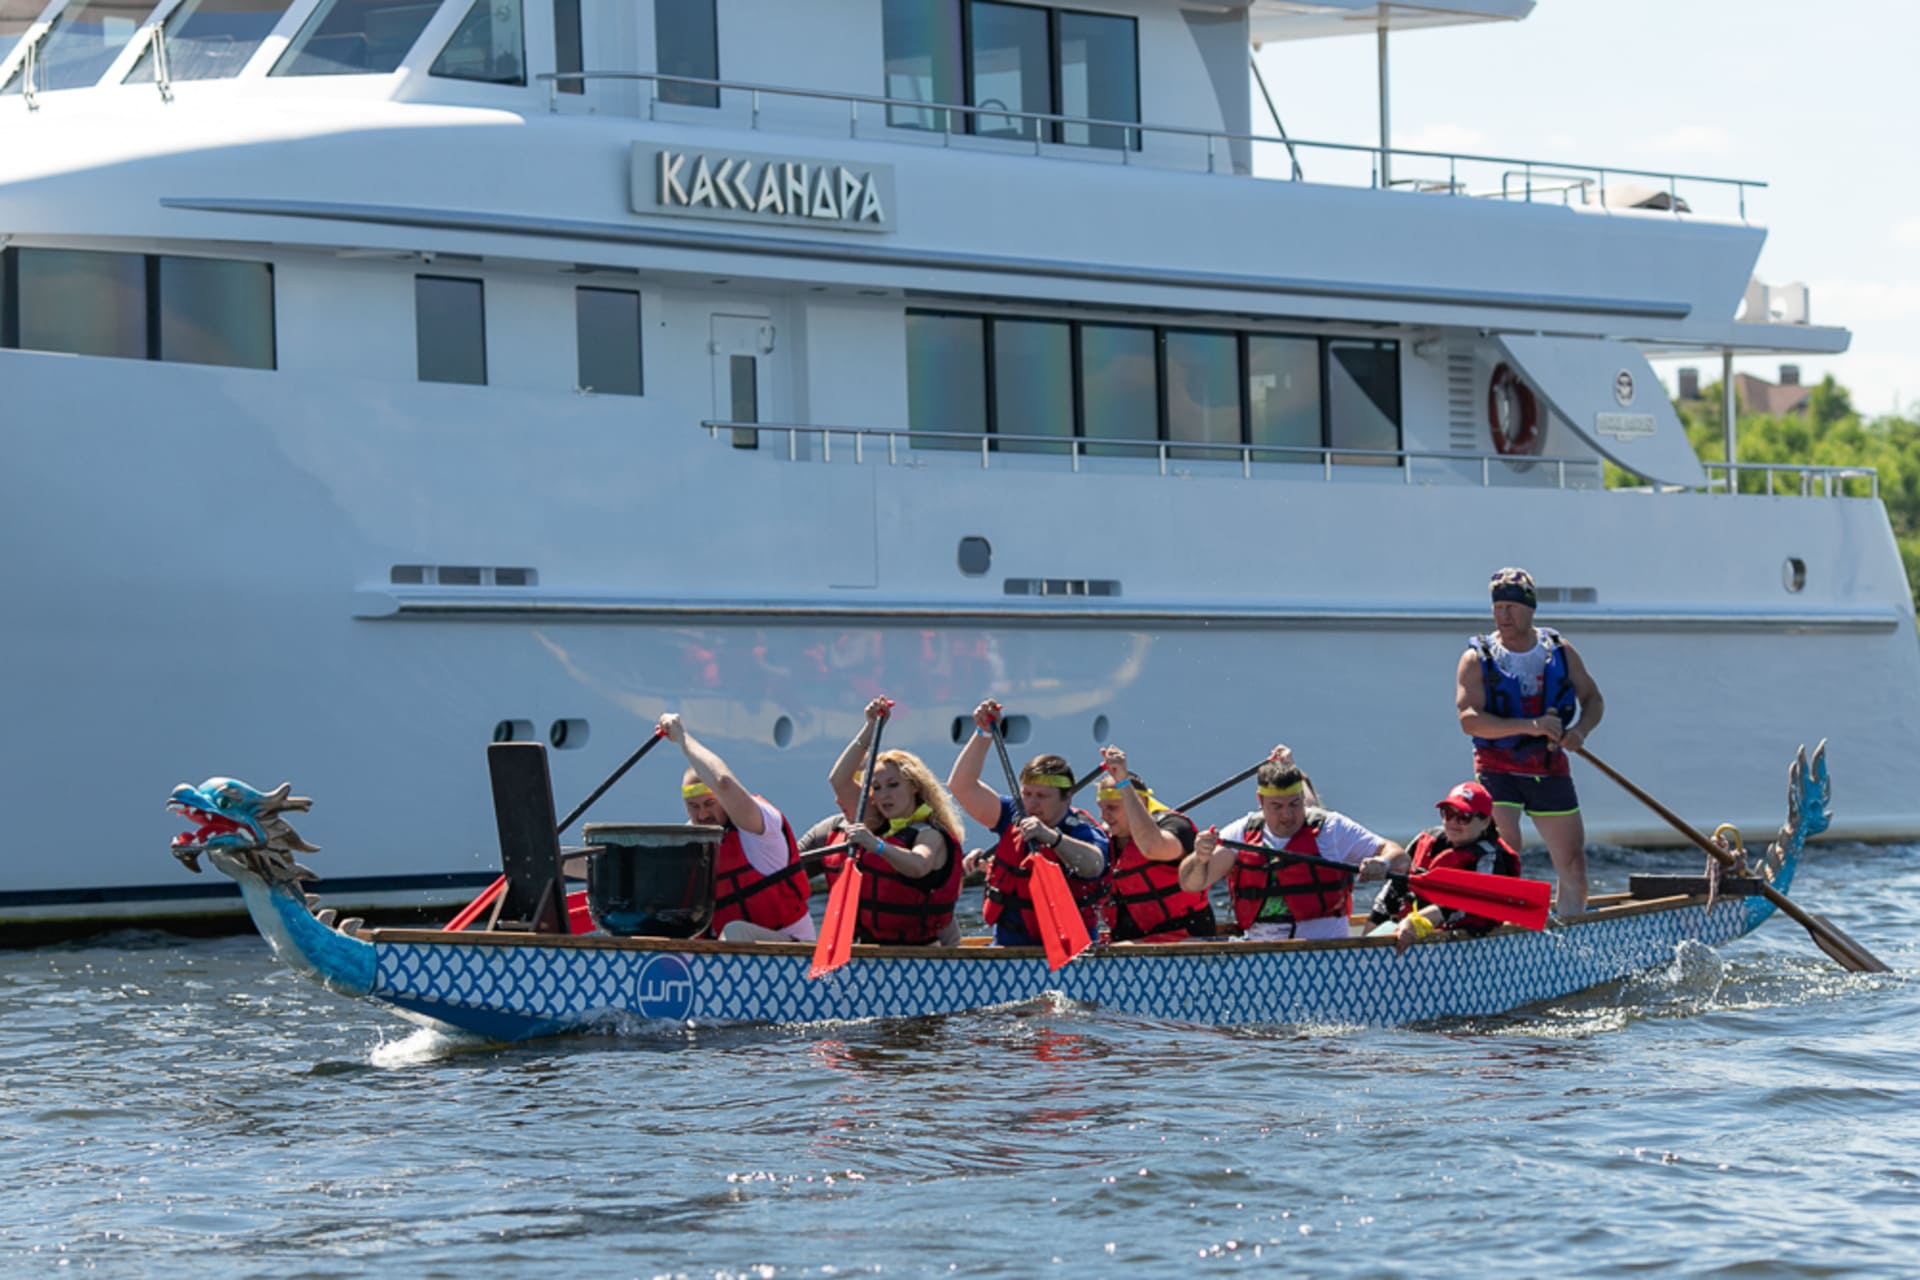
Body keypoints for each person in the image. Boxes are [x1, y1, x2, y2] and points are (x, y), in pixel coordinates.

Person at [1456, 566, 1605, 915]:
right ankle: (1503, 925)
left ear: (1530, 609)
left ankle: (1572, 925)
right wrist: (1531, 725)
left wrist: (1580, 731)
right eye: (1498, 608)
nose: (1503, 616)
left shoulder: (1560, 651)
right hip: (1497, 769)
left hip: (1548, 766)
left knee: (1572, 862)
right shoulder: (1476, 659)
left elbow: (1594, 700)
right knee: (1506, 849)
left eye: (1511, 607)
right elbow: (1469, 720)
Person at [1180, 755, 1405, 941]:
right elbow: (1191, 884)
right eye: (1277, 806)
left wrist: (1383, 862)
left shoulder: (1332, 829)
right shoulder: (1240, 833)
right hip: (1259, 955)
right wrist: (1199, 858)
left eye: (1294, 804)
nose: (1287, 815)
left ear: (1302, 797)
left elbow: (1400, 857)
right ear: (1260, 801)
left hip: (1325, 953)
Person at [949, 699, 1110, 946]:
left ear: (1066, 798)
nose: (1032, 804)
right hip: (1008, 947)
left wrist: (1051, 837)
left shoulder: (1080, 828)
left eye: (1042, 796)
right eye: (1027, 794)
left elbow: (1094, 865)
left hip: (1071, 947)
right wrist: (983, 733)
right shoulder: (1013, 814)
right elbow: (962, 786)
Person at [820, 698, 967, 946]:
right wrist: (870, 727)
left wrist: (876, 846)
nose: (884, 795)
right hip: (874, 948)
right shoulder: (879, 822)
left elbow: (919, 865)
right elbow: (839, 780)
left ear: (914, 786)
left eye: (893, 785)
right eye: (876, 788)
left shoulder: (930, 834)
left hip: (921, 952)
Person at [658, 712, 815, 943]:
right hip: (727, 953)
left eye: (709, 804)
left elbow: (723, 783)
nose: (703, 815)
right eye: (693, 807)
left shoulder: (760, 824)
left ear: (723, 800)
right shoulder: (691, 842)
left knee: (734, 932)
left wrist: (682, 737)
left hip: (792, 949)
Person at [1367, 781, 1524, 955]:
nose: (1453, 822)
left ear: (1485, 822)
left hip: (1465, 945)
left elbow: (1469, 903)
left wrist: (1417, 922)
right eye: (1448, 813)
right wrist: (1369, 932)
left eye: (1464, 817)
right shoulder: (1425, 840)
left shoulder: (1491, 858)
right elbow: (1393, 889)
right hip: (1410, 932)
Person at [1094, 745, 1214, 943]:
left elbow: (1151, 847)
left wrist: (1123, 781)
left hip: (1184, 938)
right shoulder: (1105, 840)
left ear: (1139, 802)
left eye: (1112, 808)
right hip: (1131, 943)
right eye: (1102, 808)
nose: (1104, 816)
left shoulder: (1175, 826)